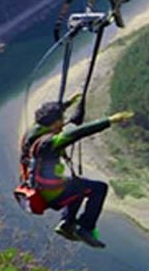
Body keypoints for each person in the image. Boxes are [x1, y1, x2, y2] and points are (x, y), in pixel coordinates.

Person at [19, 98, 133, 248]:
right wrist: (110, 120)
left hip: (38, 186)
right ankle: (86, 227)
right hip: (52, 195)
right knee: (99, 188)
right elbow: (78, 133)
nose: (63, 123)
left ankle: (67, 223)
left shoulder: (34, 131)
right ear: (54, 122)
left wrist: (68, 103)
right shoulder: (50, 143)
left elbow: (52, 114)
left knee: (77, 186)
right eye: (62, 120)